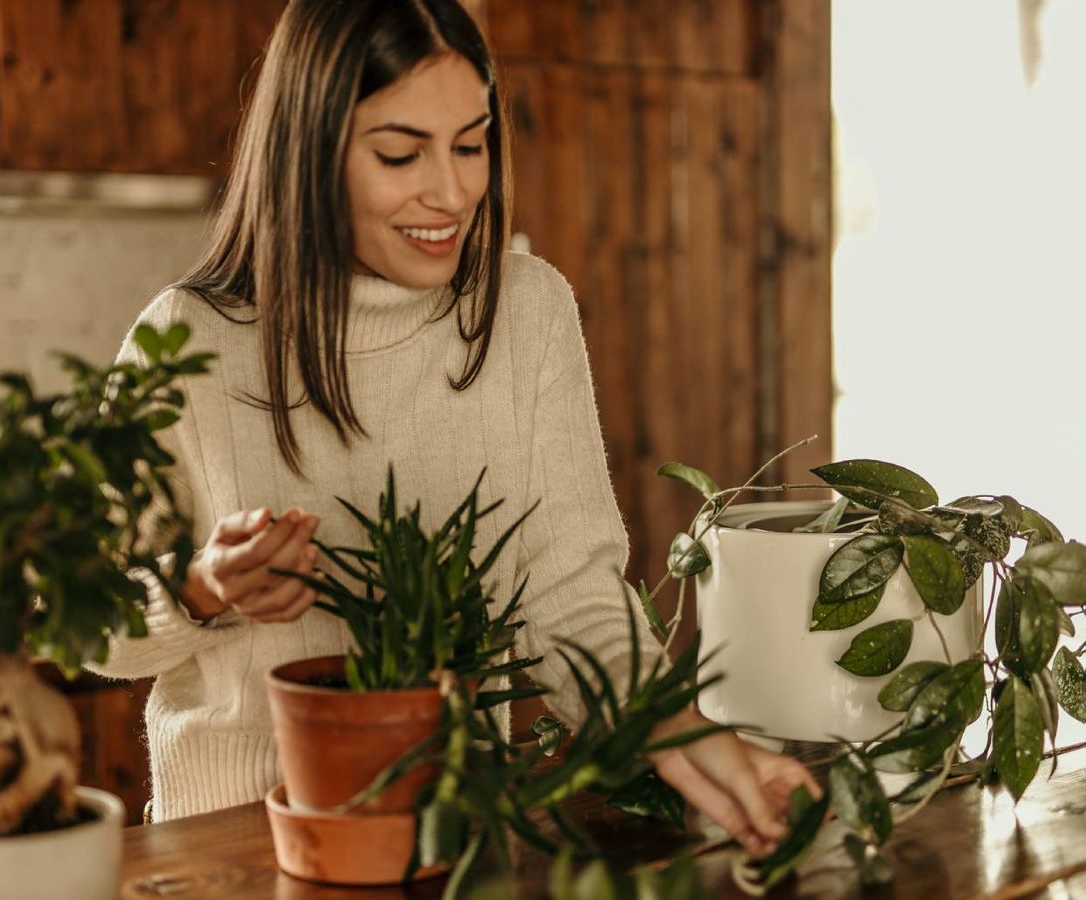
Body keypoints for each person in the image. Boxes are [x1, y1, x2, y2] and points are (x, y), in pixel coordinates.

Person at [93, 0, 818, 857]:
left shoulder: (526, 313)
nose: (453, 191)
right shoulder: (188, 340)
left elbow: (572, 598)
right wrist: (201, 589)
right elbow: (80, 625)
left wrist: (692, 740)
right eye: (401, 153)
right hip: (229, 849)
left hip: (450, 836)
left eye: (470, 144)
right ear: (309, 152)